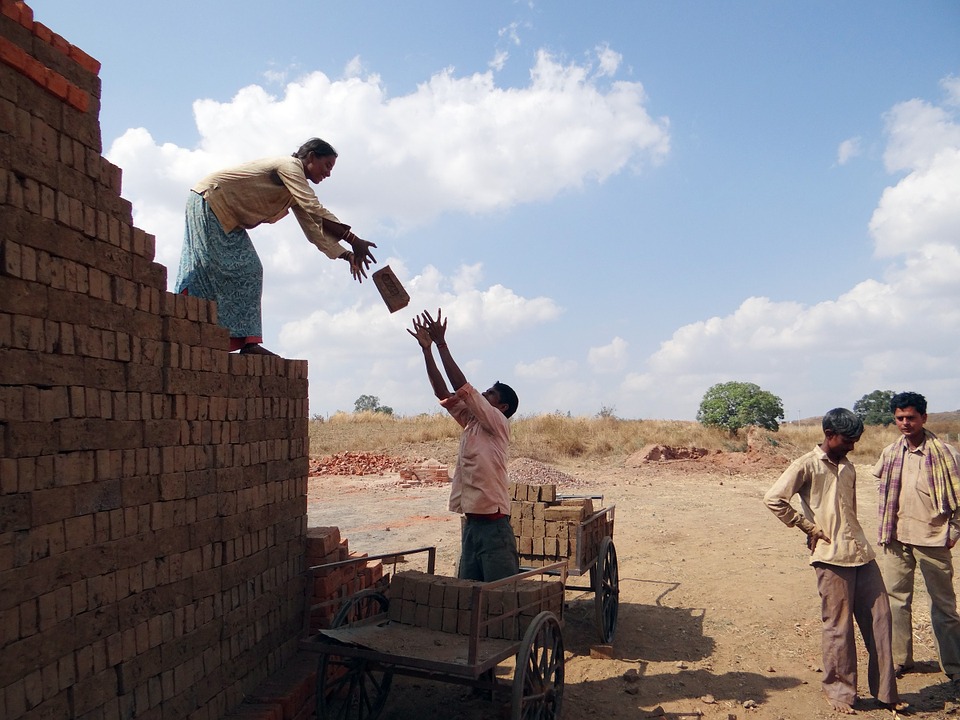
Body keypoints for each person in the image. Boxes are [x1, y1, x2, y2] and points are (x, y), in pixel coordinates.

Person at [174, 138, 377, 356]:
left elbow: (314, 227)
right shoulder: (289, 167)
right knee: (206, 266)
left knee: (251, 270)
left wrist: (346, 255)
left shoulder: (295, 189)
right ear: (310, 157)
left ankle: (248, 342)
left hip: (230, 217)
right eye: (327, 165)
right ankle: (181, 320)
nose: (328, 173)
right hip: (210, 200)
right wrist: (353, 240)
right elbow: (314, 207)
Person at [764, 408, 900, 714]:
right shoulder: (807, 465)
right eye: (848, 440)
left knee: (881, 620)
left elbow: (848, 513)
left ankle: (886, 692)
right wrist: (808, 527)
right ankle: (840, 693)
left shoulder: (848, 467)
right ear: (829, 435)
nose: (853, 445)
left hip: (862, 554)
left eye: (856, 439)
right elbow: (774, 498)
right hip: (830, 557)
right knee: (838, 629)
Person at [407, 308, 520, 582]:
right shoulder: (471, 422)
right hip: (471, 523)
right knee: (468, 592)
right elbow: (443, 393)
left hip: (494, 526)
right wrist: (427, 351)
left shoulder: (496, 422)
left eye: (490, 393)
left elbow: (461, 385)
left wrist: (442, 344)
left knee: (500, 594)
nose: (483, 393)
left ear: (502, 406)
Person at [874, 391, 960, 683]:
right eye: (900, 418)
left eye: (911, 417)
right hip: (897, 539)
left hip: (933, 539)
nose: (905, 423)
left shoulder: (946, 454)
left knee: (944, 607)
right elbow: (883, 489)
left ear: (924, 417)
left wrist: (954, 531)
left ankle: (954, 667)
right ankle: (901, 660)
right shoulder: (890, 453)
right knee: (896, 601)